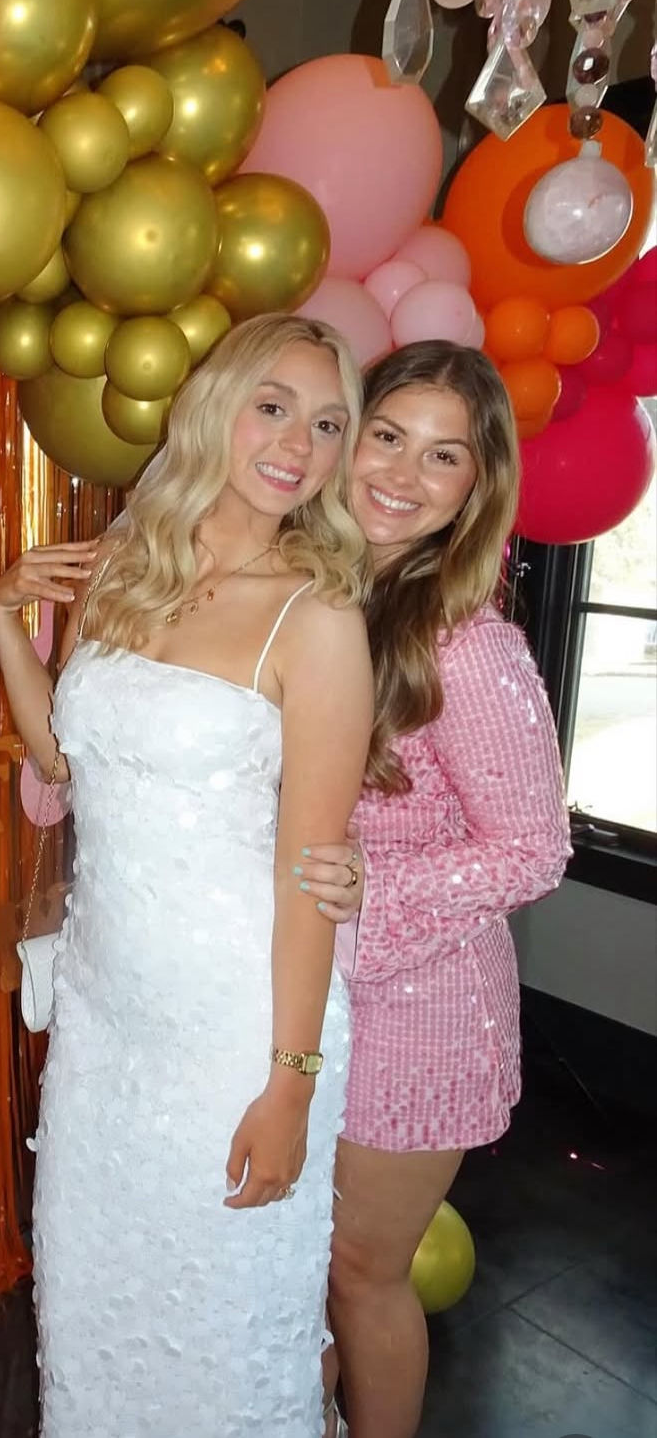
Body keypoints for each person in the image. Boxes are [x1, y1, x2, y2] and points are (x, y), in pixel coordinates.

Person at [0, 313, 379, 1437]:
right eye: (274, 406)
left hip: (233, 1031)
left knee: (225, 1331)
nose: (298, 443)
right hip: (107, 1020)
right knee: (98, 1309)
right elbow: (67, 760)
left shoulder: (318, 618)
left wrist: (292, 1082)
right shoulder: (122, 562)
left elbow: (312, 875)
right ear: (216, 407)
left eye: (327, 423)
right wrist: (11, 623)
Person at [296, 341, 571, 1438]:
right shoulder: (302, 600)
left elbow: (535, 848)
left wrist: (377, 886)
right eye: (388, 436)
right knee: (296, 1259)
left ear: (476, 487)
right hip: (295, 991)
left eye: (443, 456)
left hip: (421, 1016)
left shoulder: (472, 646)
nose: (403, 474)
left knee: (361, 1271)